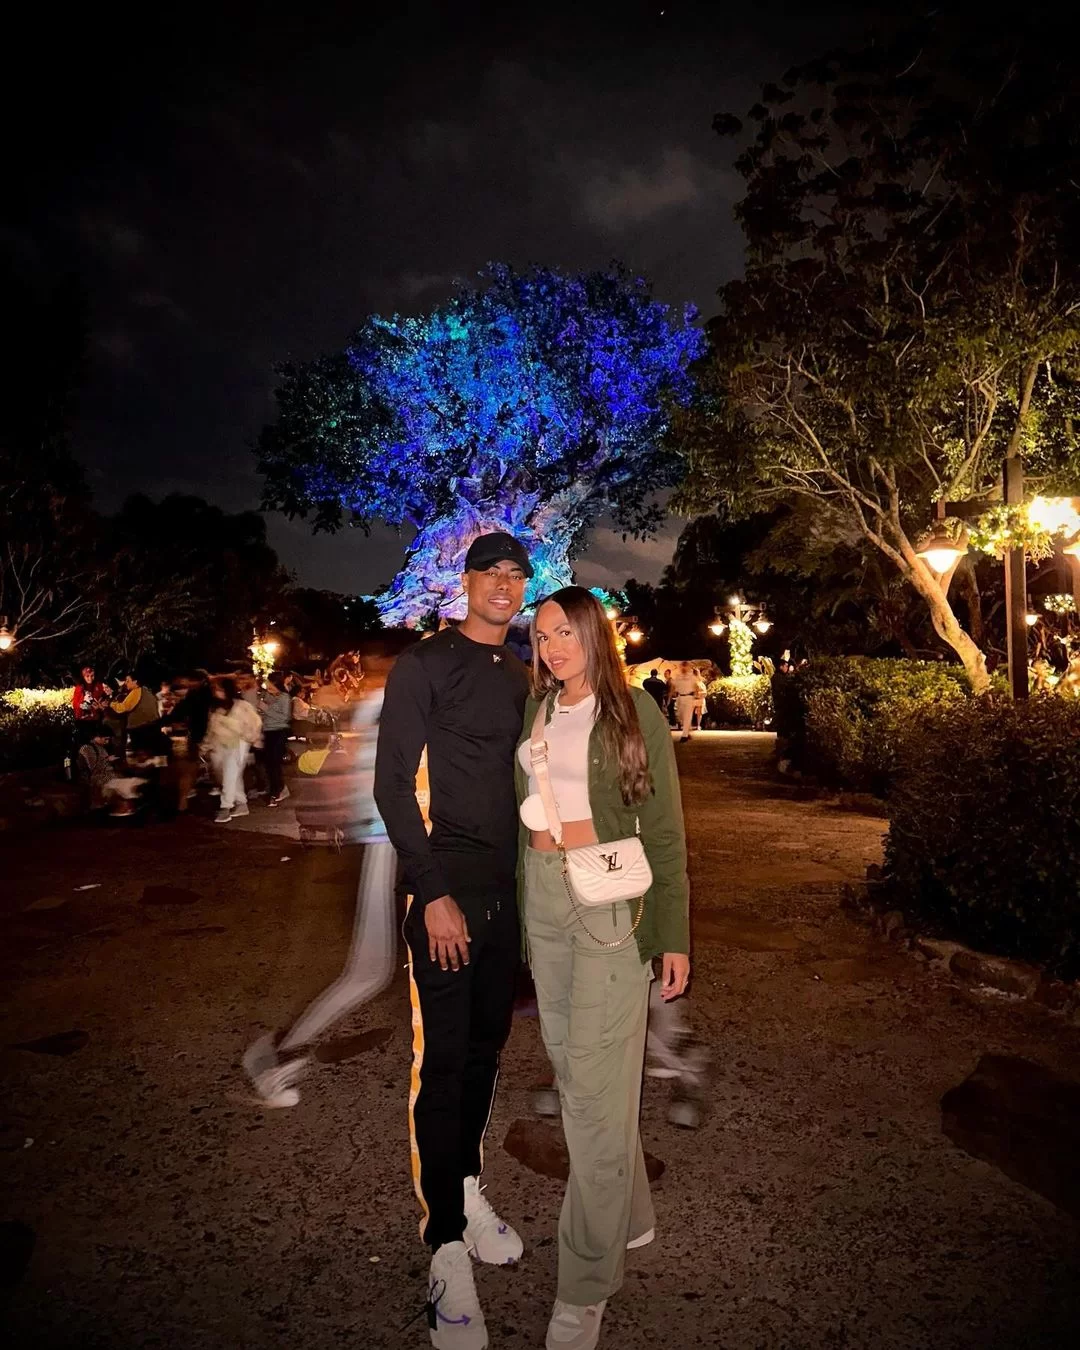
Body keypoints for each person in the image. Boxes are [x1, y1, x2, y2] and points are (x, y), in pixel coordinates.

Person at [516, 586, 689, 1350]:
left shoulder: (635, 713)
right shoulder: (540, 711)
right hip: (547, 903)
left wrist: (673, 934)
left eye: (565, 632)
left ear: (593, 634)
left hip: (612, 907)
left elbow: (665, 829)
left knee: (586, 1090)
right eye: (542, 635)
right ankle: (634, 1216)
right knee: (580, 1067)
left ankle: (586, 1285)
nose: (553, 647)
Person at [374, 531, 532, 1350]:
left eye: (516, 574)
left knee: (486, 1053)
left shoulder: (527, 670)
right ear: (465, 581)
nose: (503, 586)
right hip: (447, 890)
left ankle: (466, 1191)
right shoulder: (426, 664)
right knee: (439, 1066)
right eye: (490, 573)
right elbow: (392, 788)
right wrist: (430, 893)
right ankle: (443, 1248)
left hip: (511, 897)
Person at [242, 631, 418, 1105]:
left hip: (381, 842)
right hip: (385, 844)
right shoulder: (389, 706)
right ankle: (279, 1057)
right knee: (369, 971)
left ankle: (282, 1053)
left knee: (376, 969)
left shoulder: (376, 704)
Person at [203, 678, 262, 823]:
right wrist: (206, 745)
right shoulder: (217, 708)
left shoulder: (242, 706)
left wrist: (251, 737)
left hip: (238, 744)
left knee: (230, 774)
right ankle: (241, 803)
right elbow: (212, 729)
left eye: (219, 689)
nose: (217, 692)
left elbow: (254, 724)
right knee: (228, 775)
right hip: (220, 745)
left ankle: (226, 807)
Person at [108, 670, 163, 756]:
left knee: (142, 755)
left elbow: (123, 707)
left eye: (128, 680)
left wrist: (110, 703)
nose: (126, 683)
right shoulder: (146, 690)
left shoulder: (136, 692)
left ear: (135, 681)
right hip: (153, 725)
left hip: (141, 728)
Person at [259, 671, 292, 807]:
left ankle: (276, 791)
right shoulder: (267, 696)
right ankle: (277, 788)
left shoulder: (284, 698)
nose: (268, 685)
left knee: (274, 762)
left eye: (271, 683)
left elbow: (284, 717)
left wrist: (265, 709)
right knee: (268, 763)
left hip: (279, 732)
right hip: (267, 731)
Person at [669, 661, 699, 742]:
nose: (684, 668)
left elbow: (696, 686)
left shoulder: (692, 677)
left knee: (687, 716)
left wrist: (696, 696)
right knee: (681, 716)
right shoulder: (678, 677)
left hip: (689, 697)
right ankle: (687, 730)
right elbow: (673, 687)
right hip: (680, 697)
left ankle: (684, 736)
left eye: (685, 666)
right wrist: (669, 698)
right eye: (682, 666)